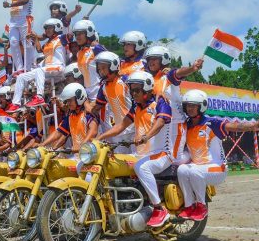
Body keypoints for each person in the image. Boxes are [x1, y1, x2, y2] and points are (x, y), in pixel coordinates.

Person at [97, 70, 173, 227]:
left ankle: (159, 208)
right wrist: (99, 137)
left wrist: (146, 136)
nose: (133, 93)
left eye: (137, 90)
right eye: (131, 90)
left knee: (142, 168)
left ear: (147, 89)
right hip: (141, 154)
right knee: (110, 164)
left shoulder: (160, 103)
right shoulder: (136, 107)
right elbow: (121, 126)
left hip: (162, 154)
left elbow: (159, 123)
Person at [177, 89, 259, 221]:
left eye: (193, 106)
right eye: (188, 105)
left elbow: (234, 126)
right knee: (181, 170)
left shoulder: (212, 123)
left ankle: (201, 206)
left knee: (194, 171)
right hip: (198, 167)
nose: (190, 108)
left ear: (202, 106)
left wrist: (253, 126)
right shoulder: (186, 126)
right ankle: (189, 206)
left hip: (217, 168)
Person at [6, 18, 67, 112]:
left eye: (50, 28)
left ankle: (39, 97)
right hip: (48, 70)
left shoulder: (61, 38)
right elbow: (39, 50)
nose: (47, 30)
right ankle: (16, 103)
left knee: (40, 70)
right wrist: (35, 38)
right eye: (46, 28)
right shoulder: (47, 43)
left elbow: (69, 33)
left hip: (59, 68)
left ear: (57, 27)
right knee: (21, 77)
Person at [91, 52, 134, 152]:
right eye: (99, 69)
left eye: (104, 68)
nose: (101, 71)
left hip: (133, 129)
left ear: (113, 66)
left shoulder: (126, 80)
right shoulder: (103, 87)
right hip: (117, 132)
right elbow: (97, 106)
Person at [40, 83, 98, 153]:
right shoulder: (70, 116)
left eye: (70, 100)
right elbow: (58, 132)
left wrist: (83, 146)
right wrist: (42, 145)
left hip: (90, 155)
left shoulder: (88, 114)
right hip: (78, 156)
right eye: (67, 101)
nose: (68, 103)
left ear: (79, 98)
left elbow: (93, 132)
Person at [0, 0, 35, 72]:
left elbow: (25, 0)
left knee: (26, 43)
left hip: (24, 19)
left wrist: (10, 4)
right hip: (13, 20)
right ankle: (19, 68)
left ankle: (29, 67)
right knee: (13, 42)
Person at [72, 20, 106, 105]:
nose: (77, 37)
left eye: (80, 33)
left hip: (99, 90)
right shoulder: (79, 53)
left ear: (88, 33)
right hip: (87, 91)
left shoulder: (96, 49)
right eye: (76, 34)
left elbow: (112, 61)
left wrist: (99, 47)